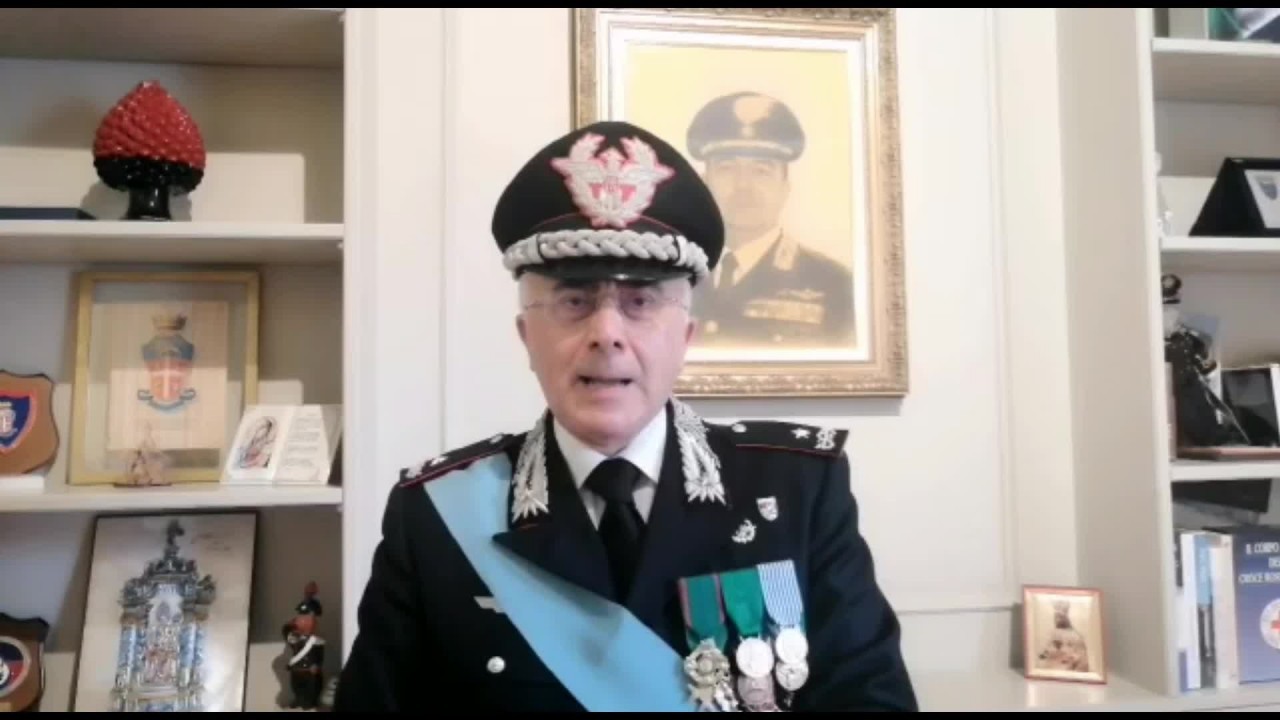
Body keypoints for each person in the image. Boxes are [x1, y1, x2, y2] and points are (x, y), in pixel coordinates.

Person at [332, 120, 916, 712]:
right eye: (574, 300)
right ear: (526, 335)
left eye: (640, 301)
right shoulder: (435, 516)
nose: (607, 333)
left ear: (685, 337)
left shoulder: (798, 487)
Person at [685, 90, 856, 349]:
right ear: (705, 184)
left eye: (761, 171)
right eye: (726, 169)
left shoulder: (834, 284)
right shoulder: (669, 276)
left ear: (785, 188)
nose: (743, 186)